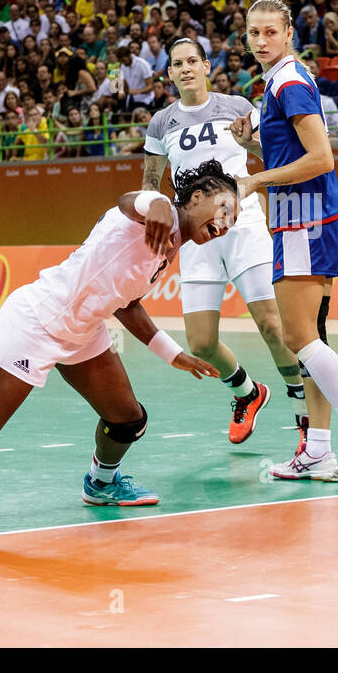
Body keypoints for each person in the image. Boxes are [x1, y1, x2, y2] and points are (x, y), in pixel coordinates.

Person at [0, 165, 235, 508]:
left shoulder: (169, 250)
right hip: (37, 321)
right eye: (222, 208)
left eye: (231, 219)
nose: (225, 221)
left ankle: (101, 483)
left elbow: (127, 304)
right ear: (197, 197)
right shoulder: (156, 217)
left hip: (82, 332)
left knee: (127, 420)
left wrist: (172, 354)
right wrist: (156, 202)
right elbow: (130, 202)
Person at [228, 0, 338, 481]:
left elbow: (322, 157)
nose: (261, 41)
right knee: (312, 339)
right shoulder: (279, 80)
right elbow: (297, 151)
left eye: (270, 33)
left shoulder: (289, 80)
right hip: (308, 216)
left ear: (287, 34)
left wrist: (256, 180)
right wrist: (252, 147)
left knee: (298, 337)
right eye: (253, 33)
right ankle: (318, 449)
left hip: (304, 217)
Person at [142, 38, 306, 443]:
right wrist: (154, 224)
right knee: (200, 342)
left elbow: (277, 156)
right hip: (195, 237)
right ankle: (247, 393)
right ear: (169, 74)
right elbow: (149, 183)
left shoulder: (237, 106)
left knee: (272, 324)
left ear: (206, 66)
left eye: (192, 61)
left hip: (242, 223)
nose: (185, 68)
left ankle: (305, 419)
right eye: (177, 63)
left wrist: (249, 141)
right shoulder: (161, 122)